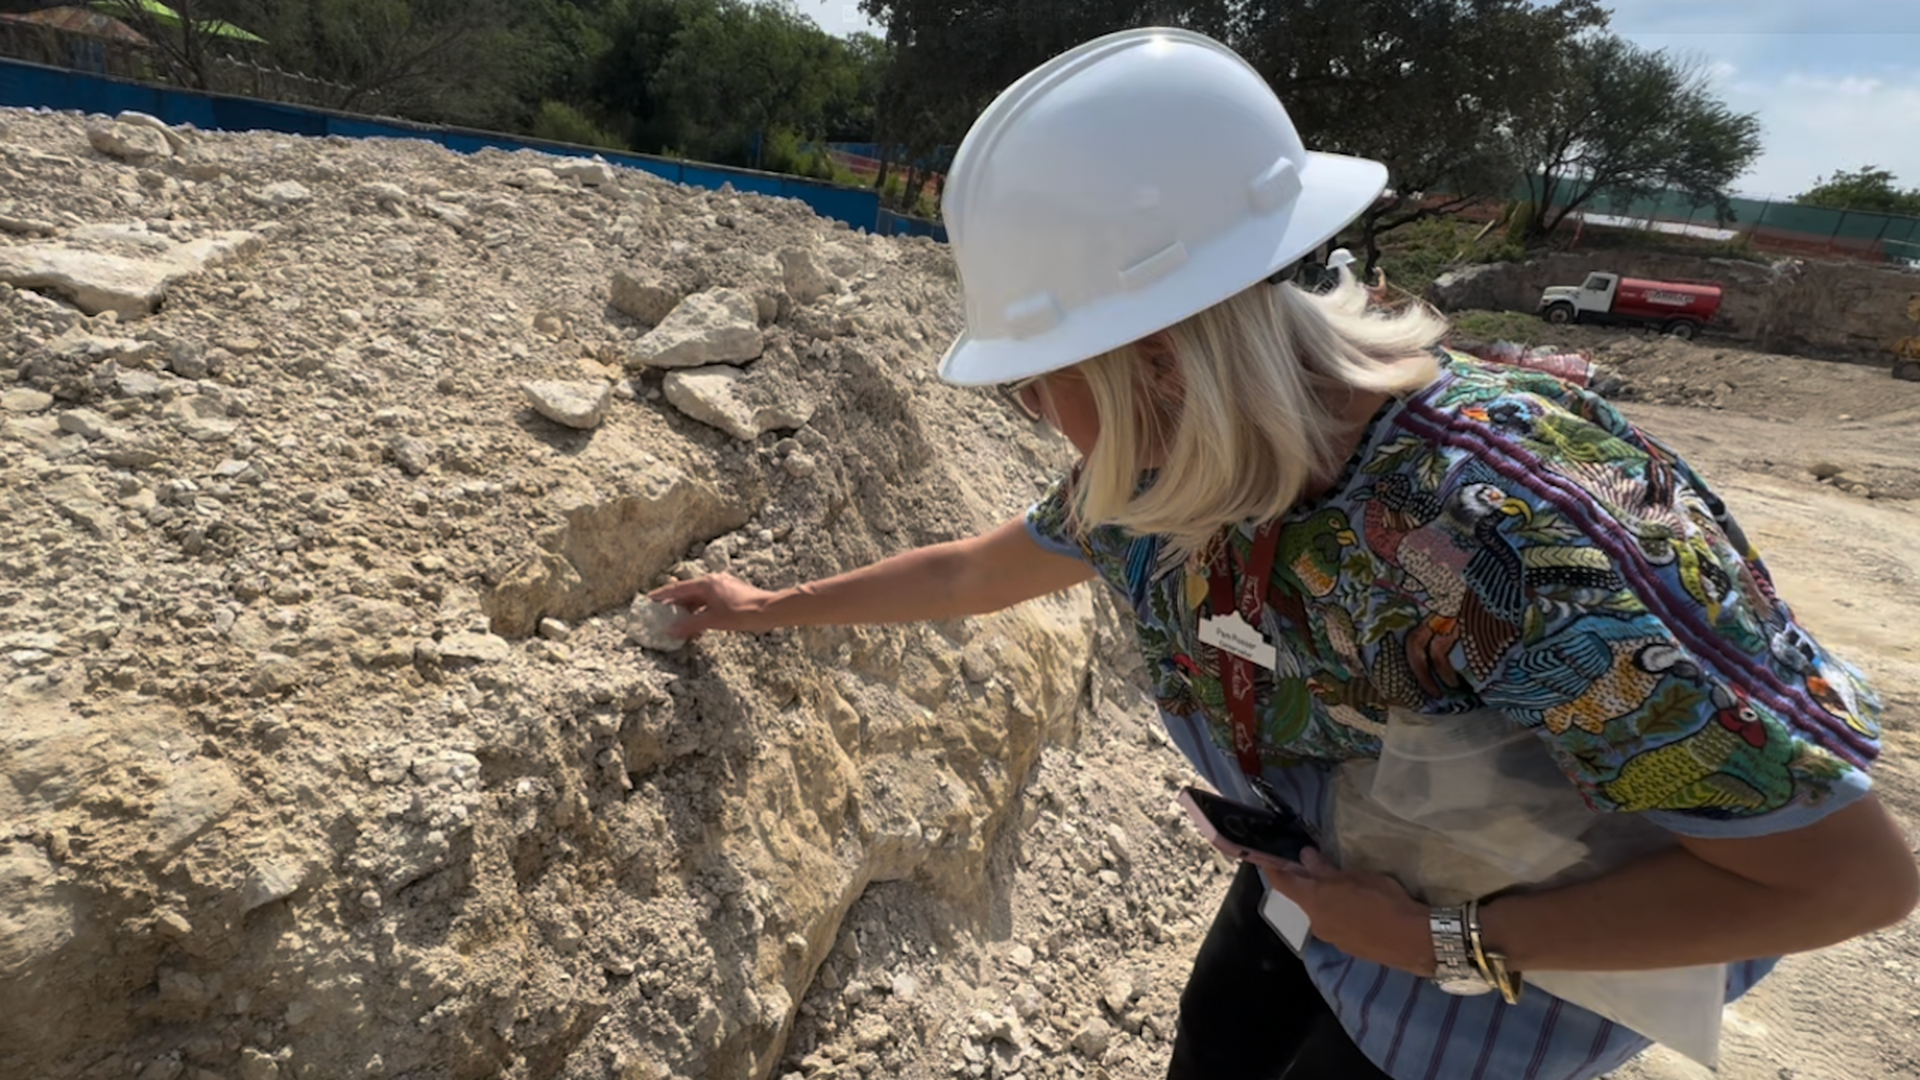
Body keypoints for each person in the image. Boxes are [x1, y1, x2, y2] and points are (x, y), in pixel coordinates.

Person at [650, 27, 1918, 1080]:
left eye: (1037, 384)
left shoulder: (1510, 542)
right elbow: (979, 571)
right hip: (1322, 880)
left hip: (1493, 977)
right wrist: (766, 606)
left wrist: (1444, 941)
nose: (1034, 418)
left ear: (1156, 355)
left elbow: (1843, 884)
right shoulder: (1159, 474)